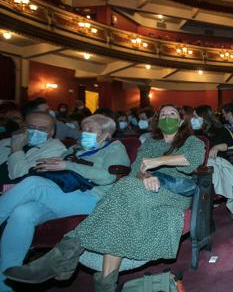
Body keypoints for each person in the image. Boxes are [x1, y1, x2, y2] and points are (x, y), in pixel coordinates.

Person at [4, 104, 206, 291]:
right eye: (163, 114)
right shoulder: (150, 144)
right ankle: (105, 285)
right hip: (144, 189)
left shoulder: (192, 141)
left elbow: (191, 160)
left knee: (123, 188)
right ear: (158, 121)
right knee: (121, 200)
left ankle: (63, 255)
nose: (167, 117)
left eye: (172, 114)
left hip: (174, 192)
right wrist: (147, 175)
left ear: (180, 121)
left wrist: (156, 163)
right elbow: (137, 171)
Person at [0, 114, 130, 292]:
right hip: (64, 196)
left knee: (33, 185)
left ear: (104, 133)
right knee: (23, 212)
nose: (85, 132)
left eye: (90, 129)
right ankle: (5, 284)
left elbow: (108, 177)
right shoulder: (74, 149)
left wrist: (68, 166)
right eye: (83, 129)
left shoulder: (114, 147)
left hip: (93, 200)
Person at [1, 111, 67, 182]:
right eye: (31, 127)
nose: (35, 131)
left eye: (42, 129)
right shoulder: (5, 142)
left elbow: (22, 178)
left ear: (52, 132)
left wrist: (16, 149)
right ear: (22, 127)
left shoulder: (56, 149)